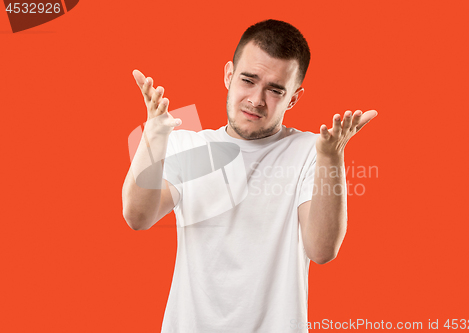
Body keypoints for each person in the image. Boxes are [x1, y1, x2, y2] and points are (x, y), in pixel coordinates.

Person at [122, 19, 377, 333]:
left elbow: (321, 251)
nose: (257, 99)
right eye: (248, 80)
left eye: (274, 90)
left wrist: (332, 157)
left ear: (293, 98)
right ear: (229, 75)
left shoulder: (311, 150)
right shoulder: (190, 145)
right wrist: (152, 136)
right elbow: (137, 217)